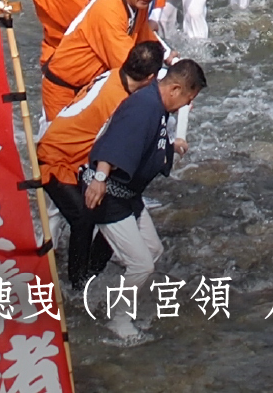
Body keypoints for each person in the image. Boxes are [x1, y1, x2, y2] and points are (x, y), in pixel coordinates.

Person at [78, 57, 206, 342]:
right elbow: (116, 141)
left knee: (152, 251)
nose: (187, 105)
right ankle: (118, 318)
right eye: (188, 98)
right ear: (174, 89)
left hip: (129, 196)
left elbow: (149, 143)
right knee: (141, 265)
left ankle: (104, 294)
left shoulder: (157, 105)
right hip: (108, 193)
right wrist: (99, 180)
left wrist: (172, 146)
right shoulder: (143, 106)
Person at [37, 40, 166, 291]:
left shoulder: (113, 74)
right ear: (151, 77)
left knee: (107, 208)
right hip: (56, 158)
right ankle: (79, 283)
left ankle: (92, 272)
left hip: (64, 149)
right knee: (84, 217)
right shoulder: (122, 102)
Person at [41, 0, 165, 119]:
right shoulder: (109, 10)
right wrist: (164, 87)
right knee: (60, 142)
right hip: (64, 89)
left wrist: (168, 57)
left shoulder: (137, 5)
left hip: (90, 87)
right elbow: (127, 65)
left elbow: (144, 37)